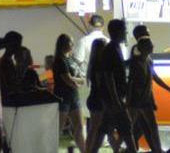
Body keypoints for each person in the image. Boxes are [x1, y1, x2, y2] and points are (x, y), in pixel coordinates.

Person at [87, 19, 137, 153]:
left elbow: (114, 70)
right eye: (124, 30)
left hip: (112, 99)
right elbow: (108, 76)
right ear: (117, 31)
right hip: (114, 99)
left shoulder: (114, 48)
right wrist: (115, 99)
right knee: (126, 127)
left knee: (104, 129)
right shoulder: (111, 49)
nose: (126, 33)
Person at [128, 34, 170, 153]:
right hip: (136, 100)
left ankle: (156, 149)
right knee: (134, 126)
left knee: (149, 126)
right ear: (144, 48)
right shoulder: (136, 63)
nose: (153, 46)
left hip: (144, 99)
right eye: (150, 45)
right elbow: (132, 83)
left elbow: (154, 78)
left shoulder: (148, 60)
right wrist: (128, 101)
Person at [53, 34, 87, 153]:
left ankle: (84, 150)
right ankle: (50, 149)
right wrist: (79, 80)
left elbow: (77, 76)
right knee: (58, 128)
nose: (72, 45)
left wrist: (77, 80)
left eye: (72, 42)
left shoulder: (71, 59)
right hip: (63, 97)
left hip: (74, 97)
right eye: (70, 42)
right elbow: (68, 79)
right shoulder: (59, 60)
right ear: (63, 44)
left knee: (79, 126)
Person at [83, 37, 118, 153]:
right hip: (99, 100)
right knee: (100, 129)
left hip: (95, 99)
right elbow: (101, 85)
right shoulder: (100, 65)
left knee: (101, 129)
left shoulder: (94, 64)